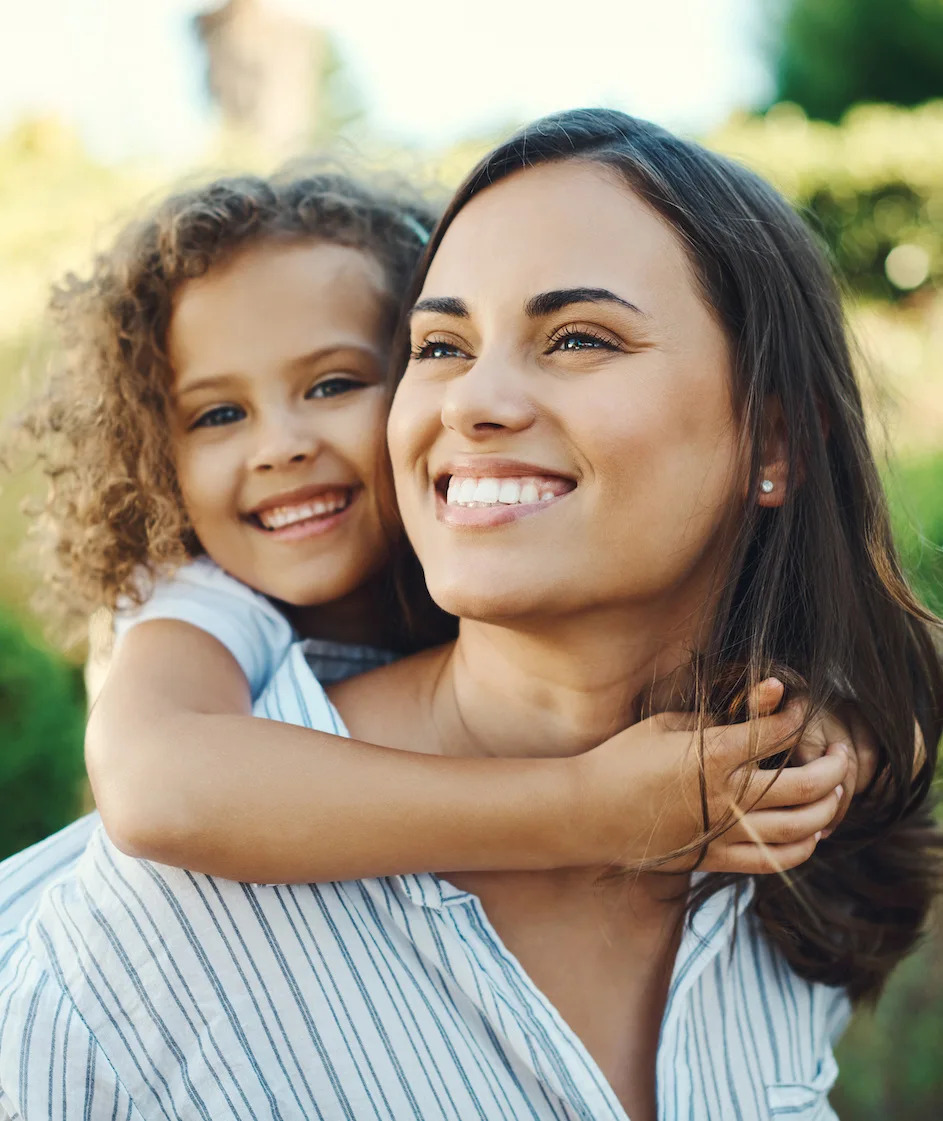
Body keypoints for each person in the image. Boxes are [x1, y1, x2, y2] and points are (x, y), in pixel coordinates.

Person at [2, 108, 938, 1119]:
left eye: (577, 336)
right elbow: (155, 782)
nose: (468, 402)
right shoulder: (138, 949)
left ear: (776, 437)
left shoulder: (779, 843)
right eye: (441, 345)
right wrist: (593, 809)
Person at [3, 166, 855, 897]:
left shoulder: (481, 556)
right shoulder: (201, 602)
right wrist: (588, 810)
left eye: (332, 385)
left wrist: (809, 743)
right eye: (218, 412)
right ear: (157, 456)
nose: (280, 446)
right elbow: (159, 788)